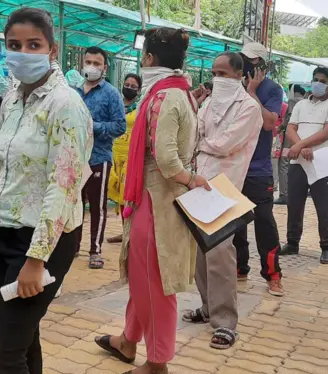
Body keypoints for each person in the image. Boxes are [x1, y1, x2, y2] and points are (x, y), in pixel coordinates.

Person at [0, 8, 93, 372]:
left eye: (34, 44)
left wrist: (36, 259)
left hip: (42, 242)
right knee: (23, 339)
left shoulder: (66, 105)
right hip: (2, 231)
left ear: (53, 49)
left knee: (2, 355)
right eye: (14, 45)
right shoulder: (13, 97)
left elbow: (63, 186)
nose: (23, 53)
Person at [94, 27, 207, 374]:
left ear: (148, 58)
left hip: (157, 201)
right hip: (153, 198)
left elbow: (167, 159)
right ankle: (128, 340)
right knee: (142, 277)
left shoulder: (164, 97)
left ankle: (157, 363)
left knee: (155, 285)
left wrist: (191, 179)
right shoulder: (176, 91)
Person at [183, 51, 263, 349]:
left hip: (226, 188)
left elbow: (224, 144)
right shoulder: (208, 104)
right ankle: (207, 308)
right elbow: (194, 131)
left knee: (220, 253)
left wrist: (199, 145)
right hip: (199, 182)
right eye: (214, 73)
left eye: (223, 74)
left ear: (240, 76)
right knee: (201, 252)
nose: (217, 79)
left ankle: (226, 322)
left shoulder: (249, 107)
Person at [234, 42, 283, 293]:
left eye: (251, 61)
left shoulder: (273, 90)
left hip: (259, 169)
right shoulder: (233, 86)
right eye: (243, 60)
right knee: (235, 222)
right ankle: (239, 267)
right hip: (234, 167)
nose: (246, 66)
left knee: (264, 222)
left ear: (262, 65)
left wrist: (252, 92)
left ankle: (273, 274)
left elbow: (268, 124)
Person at [280, 68, 328, 265]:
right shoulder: (300, 104)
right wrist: (300, 146)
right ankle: (292, 242)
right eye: (315, 79)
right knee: (295, 204)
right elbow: (291, 127)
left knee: (324, 208)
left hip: (321, 161)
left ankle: (326, 247)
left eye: (322, 80)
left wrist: (300, 145)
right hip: (298, 160)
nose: (317, 83)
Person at [74, 46, 126, 269]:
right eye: (88, 62)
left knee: (97, 206)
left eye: (96, 63)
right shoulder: (73, 92)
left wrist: (93, 126)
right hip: (75, 157)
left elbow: (120, 126)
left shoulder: (111, 93)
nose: (91, 67)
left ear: (104, 68)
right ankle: (72, 247)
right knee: (74, 204)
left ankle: (95, 250)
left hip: (99, 157)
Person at [107, 73, 141, 244]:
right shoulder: (116, 105)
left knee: (127, 195)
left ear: (139, 90)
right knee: (117, 193)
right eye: (127, 84)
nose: (129, 88)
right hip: (115, 152)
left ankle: (131, 233)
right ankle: (124, 231)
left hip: (131, 154)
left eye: (133, 86)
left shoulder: (140, 109)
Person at [274, 83, 306, 205]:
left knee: (284, 163)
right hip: (301, 137)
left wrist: (281, 127)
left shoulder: (293, 101)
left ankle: (284, 194)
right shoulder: (305, 102)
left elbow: (289, 118)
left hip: (290, 137)